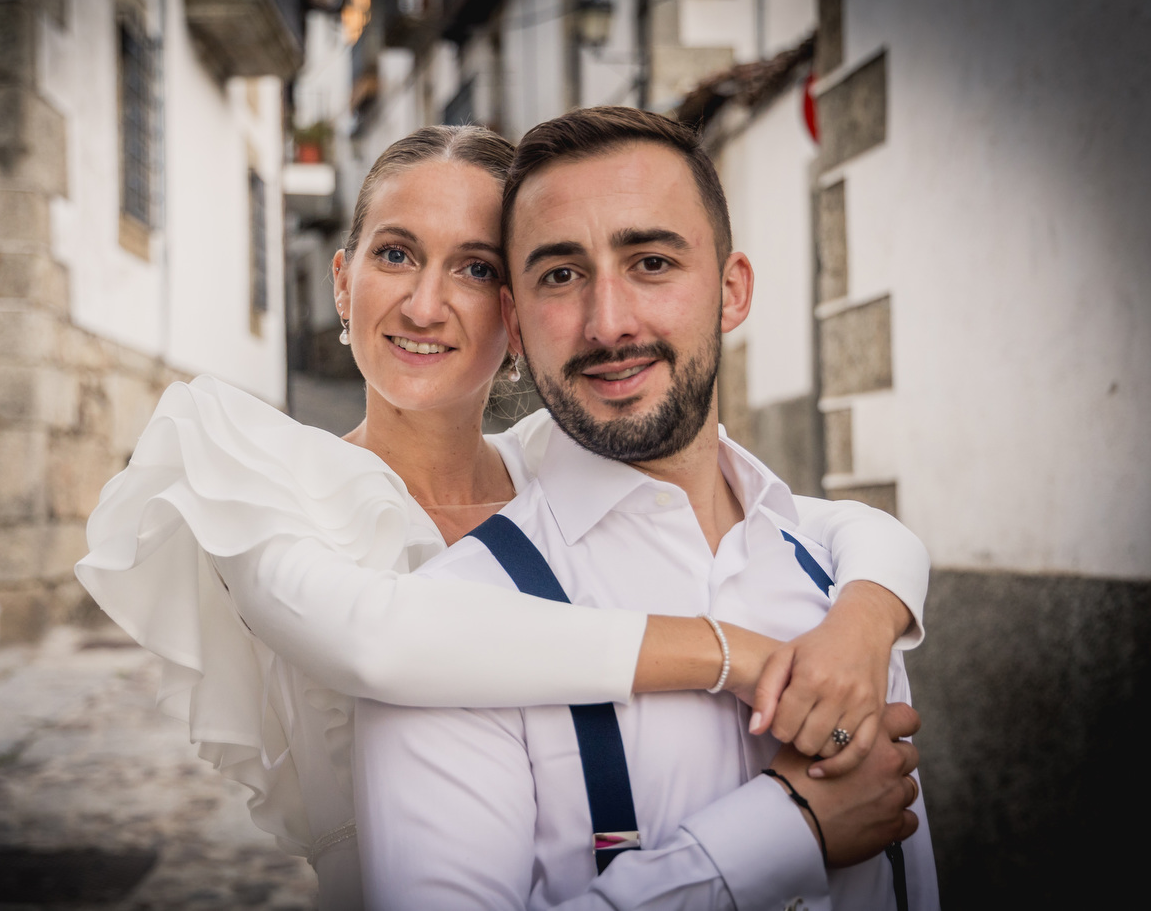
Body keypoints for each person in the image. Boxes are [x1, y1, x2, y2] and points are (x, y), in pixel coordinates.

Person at [75, 125, 932, 911]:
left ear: (514, 317)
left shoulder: (553, 463)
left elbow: (825, 524)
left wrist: (862, 621)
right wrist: (734, 654)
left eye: (477, 267)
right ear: (343, 278)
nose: (422, 305)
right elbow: (384, 639)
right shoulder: (268, 485)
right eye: (397, 253)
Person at [354, 107, 939, 910]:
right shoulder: (452, 626)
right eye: (561, 274)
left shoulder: (845, 586)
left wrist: (872, 610)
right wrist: (786, 828)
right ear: (517, 326)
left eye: (652, 262)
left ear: (732, 291)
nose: (610, 323)